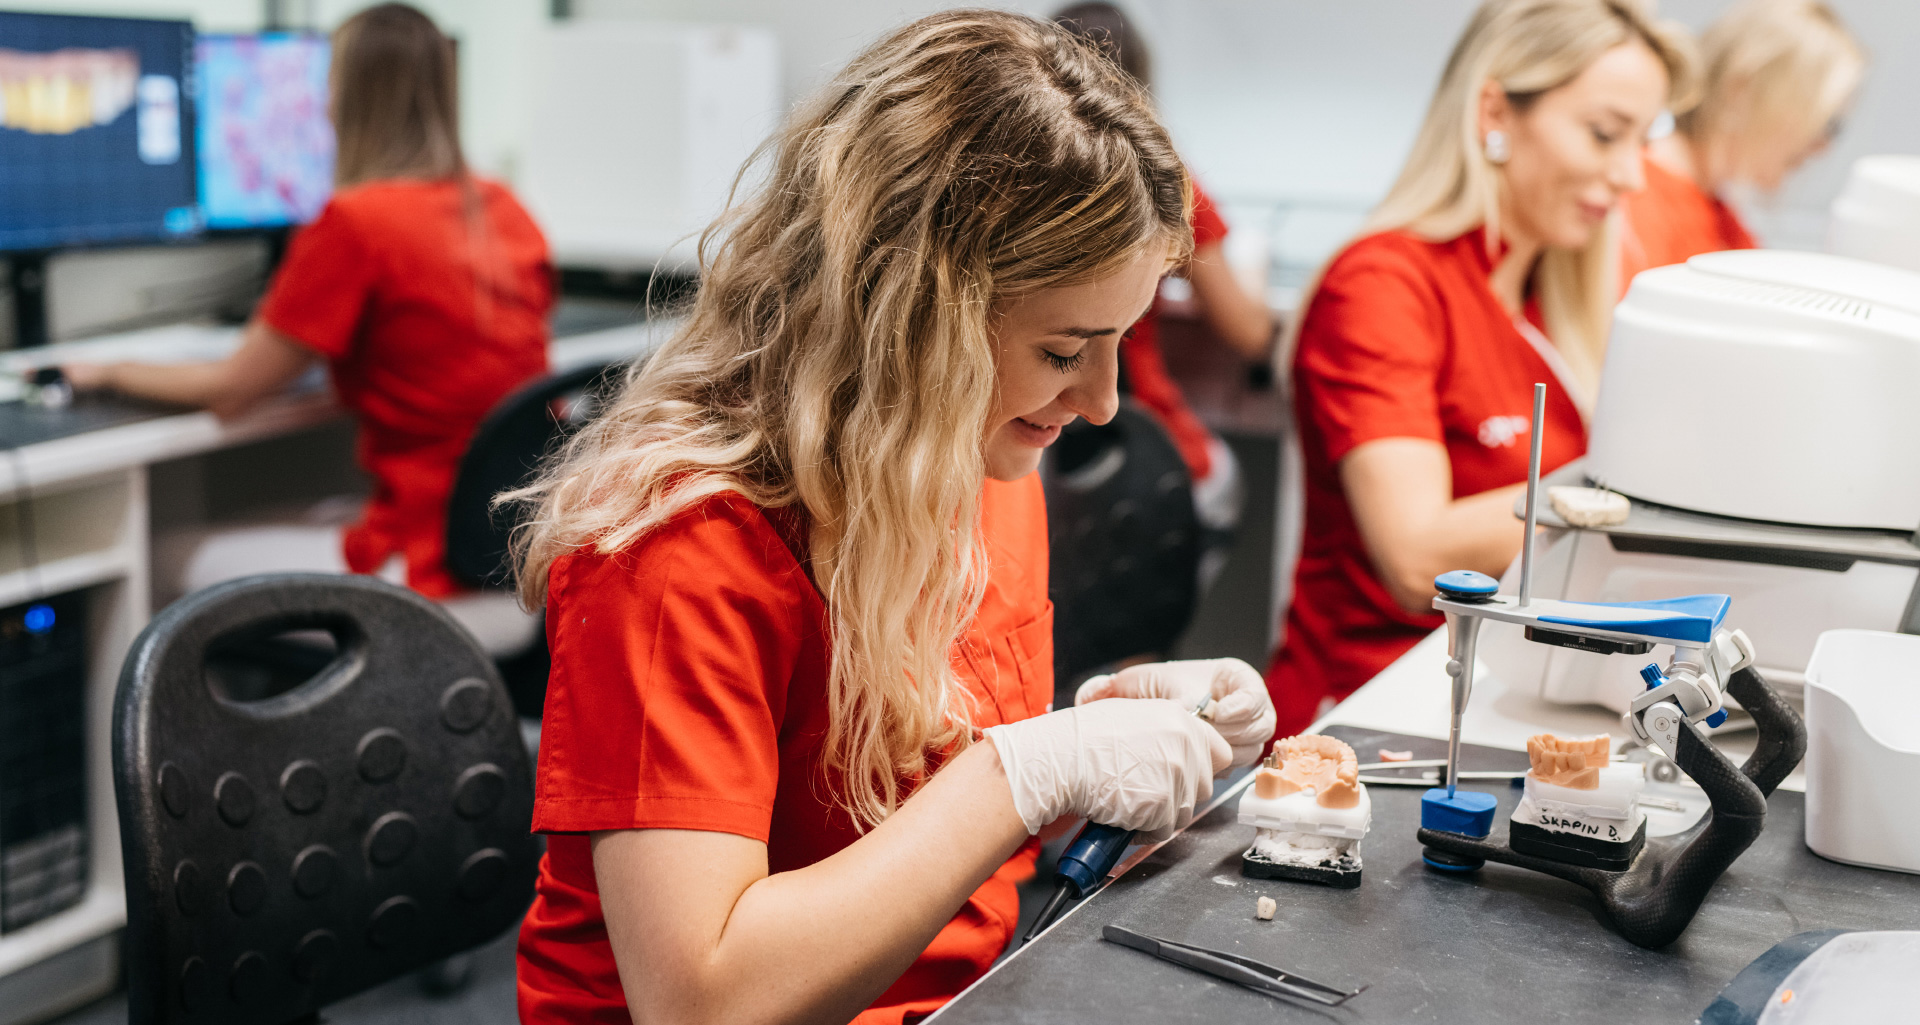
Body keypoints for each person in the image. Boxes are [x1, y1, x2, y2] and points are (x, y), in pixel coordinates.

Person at [509, 12, 1276, 1024]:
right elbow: (701, 996)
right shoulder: (678, 548)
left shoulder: (982, 461)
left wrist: (1111, 738)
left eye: (1121, 338)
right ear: (911, 320)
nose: (1101, 401)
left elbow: (922, 795)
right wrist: (1027, 770)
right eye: (1063, 351)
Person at [1264, 0, 1696, 735]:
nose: (1631, 176)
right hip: (1372, 714)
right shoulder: (1383, 285)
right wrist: (1622, 499)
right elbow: (1415, 555)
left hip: (1497, 696)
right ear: (1495, 110)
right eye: (1603, 134)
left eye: (1641, 140)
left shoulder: (1546, 303)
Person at [65, 3, 553, 602]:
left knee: (162, 552)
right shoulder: (503, 205)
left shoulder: (355, 222)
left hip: (431, 556)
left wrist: (107, 370)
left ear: (344, 97)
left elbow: (231, 392)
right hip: (513, 543)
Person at [1053, 2, 1277, 562]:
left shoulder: (1007, 181)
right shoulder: (1165, 182)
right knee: (1220, 481)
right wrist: (1252, 267)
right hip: (1141, 440)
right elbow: (1249, 331)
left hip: (1048, 466)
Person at [1620, 0, 1864, 284]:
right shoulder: (1634, 200)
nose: (1824, 146)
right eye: (1824, 123)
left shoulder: (1722, 219)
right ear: (1742, 91)